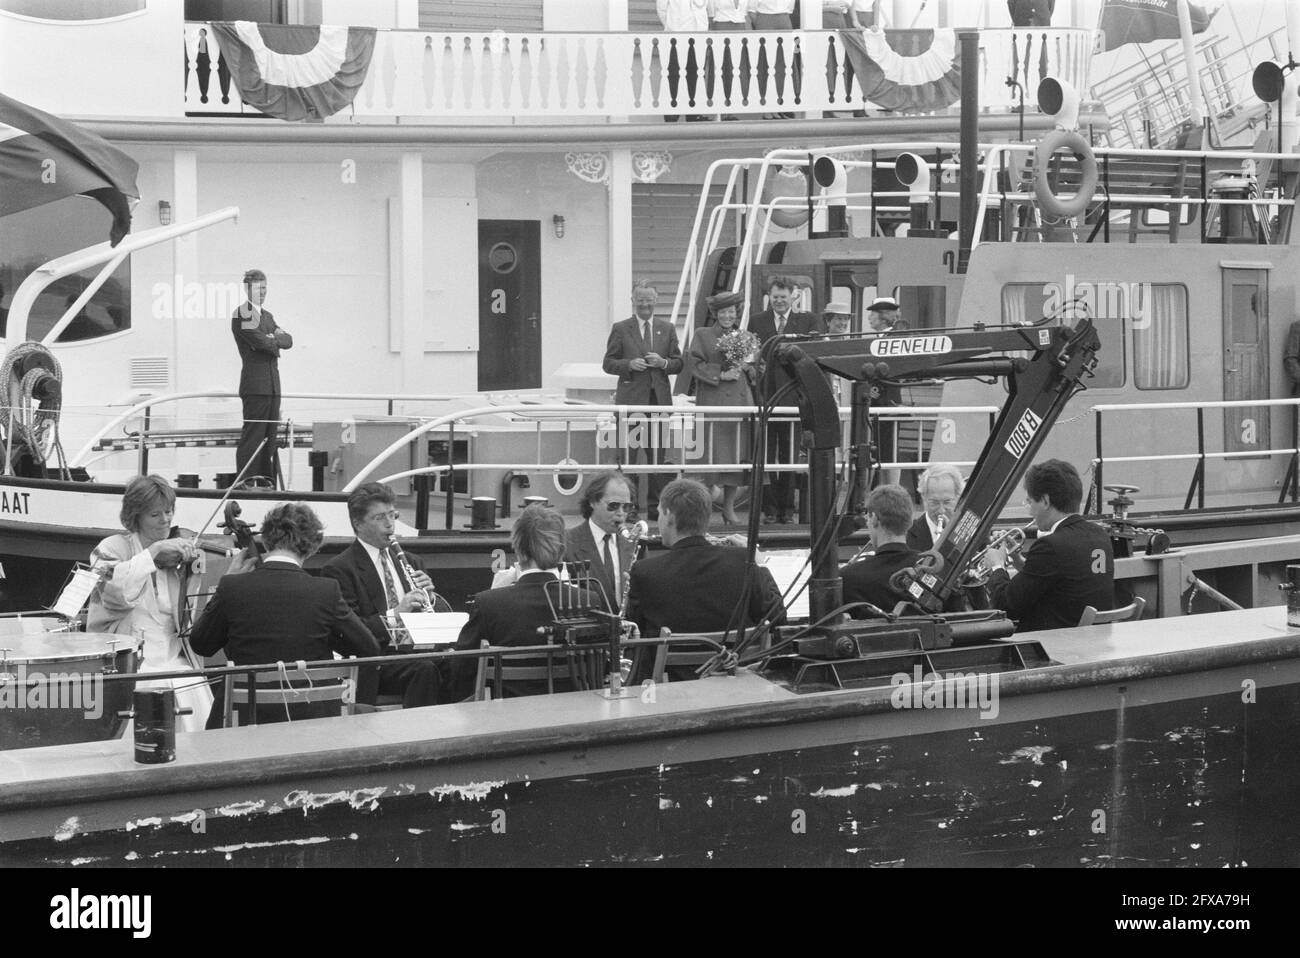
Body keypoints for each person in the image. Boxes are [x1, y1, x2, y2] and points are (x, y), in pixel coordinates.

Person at [191, 502, 380, 728]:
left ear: (267, 540)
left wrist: (226, 581)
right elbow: (369, 649)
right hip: (313, 719)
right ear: (312, 547)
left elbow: (201, 644)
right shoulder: (326, 591)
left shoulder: (233, 586)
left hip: (244, 719)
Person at [88, 475, 214, 733]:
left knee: (189, 690)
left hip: (173, 657)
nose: (166, 520)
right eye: (155, 515)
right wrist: (152, 555)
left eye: (169, 512)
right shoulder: (111, 548)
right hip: (129, 660)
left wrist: (192, 573)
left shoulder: (178, 554)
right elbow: (115, 595)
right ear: (136, 516)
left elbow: (190, 615)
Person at [451, 505, 602, 700]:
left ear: (519, 551)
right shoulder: (590, 600)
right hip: (572, 714)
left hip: (507, 719)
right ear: (561, 552)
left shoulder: (488, 603)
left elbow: (460, 672)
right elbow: (601, 668)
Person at [320, 482, 445, 710]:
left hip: (415, 651)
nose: (390, 525)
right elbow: (350, 634)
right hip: (377, 660)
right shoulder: (340, 569)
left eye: (392, 515)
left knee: (459, 661)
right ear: (358, 524)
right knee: (425, 669)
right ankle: (419, 739)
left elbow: (432, 619)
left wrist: (431, 599)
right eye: (379, 518)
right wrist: (396, 614)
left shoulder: (412, 561)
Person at [625, 478, 785, 649]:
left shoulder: (645, 571)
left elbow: (634, 633)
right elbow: (778, 617)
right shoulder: (743, 561)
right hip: (734, 671)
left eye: (659, 513)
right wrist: (759, 564)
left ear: (669, 515)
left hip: (669, 674)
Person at [985, 459, 1115, 632]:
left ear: (1045, 501)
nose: (1030, 511)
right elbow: (1057, 580)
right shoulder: (1100, 535)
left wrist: (996, 566)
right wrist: (1017, 559)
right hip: (1093, 639)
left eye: (1030, 502)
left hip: (1053, 647)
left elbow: (1006, 607)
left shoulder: (1050, 546)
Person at [602, 280, 683, 516]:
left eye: (649, 299)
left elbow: (678, 363)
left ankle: (656, 509)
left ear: (656, 300)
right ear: (633, 300)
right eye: (640, 298)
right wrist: (629, 364)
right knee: (629, 458)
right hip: (631, 402)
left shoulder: (666, 328)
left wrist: (663, 363)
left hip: (658, 401)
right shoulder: (620, 328)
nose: (645, 303)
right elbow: (608, 363)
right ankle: (630, 508)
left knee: (657, 457)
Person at [749, 275, 824, 522]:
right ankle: (769, 510)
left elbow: (814, 355)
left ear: (793, 296)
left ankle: (787, 510)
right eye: (775, 296)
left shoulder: (807, 321)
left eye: (783, 296)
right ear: (769, 297)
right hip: (767, 396)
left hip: (795, 397)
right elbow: (750, 355)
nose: (779, 301)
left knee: (790, 456)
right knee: (767, 457)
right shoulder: (756, 321)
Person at [690, 290, 758, 526]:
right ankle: (705, 510)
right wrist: (721, 373)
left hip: (739, 402)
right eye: (723, 312)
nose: (728, 316)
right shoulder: (703, 334)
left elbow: (755, 366)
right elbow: (694, 365)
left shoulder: (745, 336)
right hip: (713, 401)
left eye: (731, 311)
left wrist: (750, 368)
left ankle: (728, 509)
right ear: (715, 313)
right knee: (711, 457)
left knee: (735, 459)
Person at [232, 268, 292, 486]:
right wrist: (273, 340)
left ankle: (266, 482)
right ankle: (246, 483)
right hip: (255, 384)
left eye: (265, 288)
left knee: (270, 438)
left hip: (272, 385)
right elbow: (261, 343)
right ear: (247, 289)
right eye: (258, 288)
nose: (262, 292)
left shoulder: (267, 316)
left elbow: (289, 340)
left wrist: (273, 340)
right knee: (254, 436)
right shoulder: (243, 314)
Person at [564, 471, 640, 613]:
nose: (621, 513)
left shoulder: (634, 542)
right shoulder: (568, 542)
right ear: (593, 501)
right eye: (613, 505)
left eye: (627, 507)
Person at [840, 484, 919, 616]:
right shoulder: (928, 568)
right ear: (911, 521)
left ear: (875, 519)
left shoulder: (847, 578)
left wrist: (850, 569)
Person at [866, 296, 908, 484]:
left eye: (872, 314)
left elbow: (889, 371)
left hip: (887, 402)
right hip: (879, 403)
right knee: (881, 449)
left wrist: (872, 390)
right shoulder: (882, 338)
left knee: (888, 449)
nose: (869, 319)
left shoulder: (893, 338)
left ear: (883, 317)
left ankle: (892, 488)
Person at [908, 463, 964, 552]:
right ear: (924, 497)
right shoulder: (908, 535)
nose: (941, 510)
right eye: (934, 502)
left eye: (947, 502)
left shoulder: (969, 532)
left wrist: (954, 536)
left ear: (958, 498)